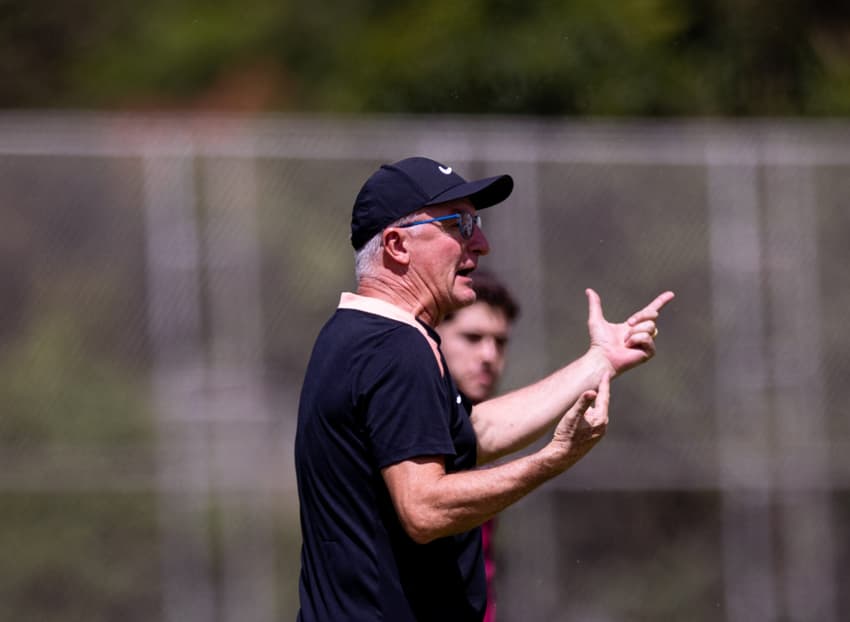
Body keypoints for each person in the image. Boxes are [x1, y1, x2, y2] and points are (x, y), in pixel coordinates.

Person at [294, 156, 674, 622]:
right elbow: (424, 509)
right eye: (460, 224)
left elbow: (471, 434)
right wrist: (550, 460)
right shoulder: (395, 348)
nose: (482, 243)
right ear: (396, 244)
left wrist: (598, 362)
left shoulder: (353, 335)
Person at [436, 269, 520, 622]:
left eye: (500, 341)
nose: (489, 355)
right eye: (472, 337)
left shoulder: (472, 428)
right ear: (432, 334)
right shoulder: (415, 431)